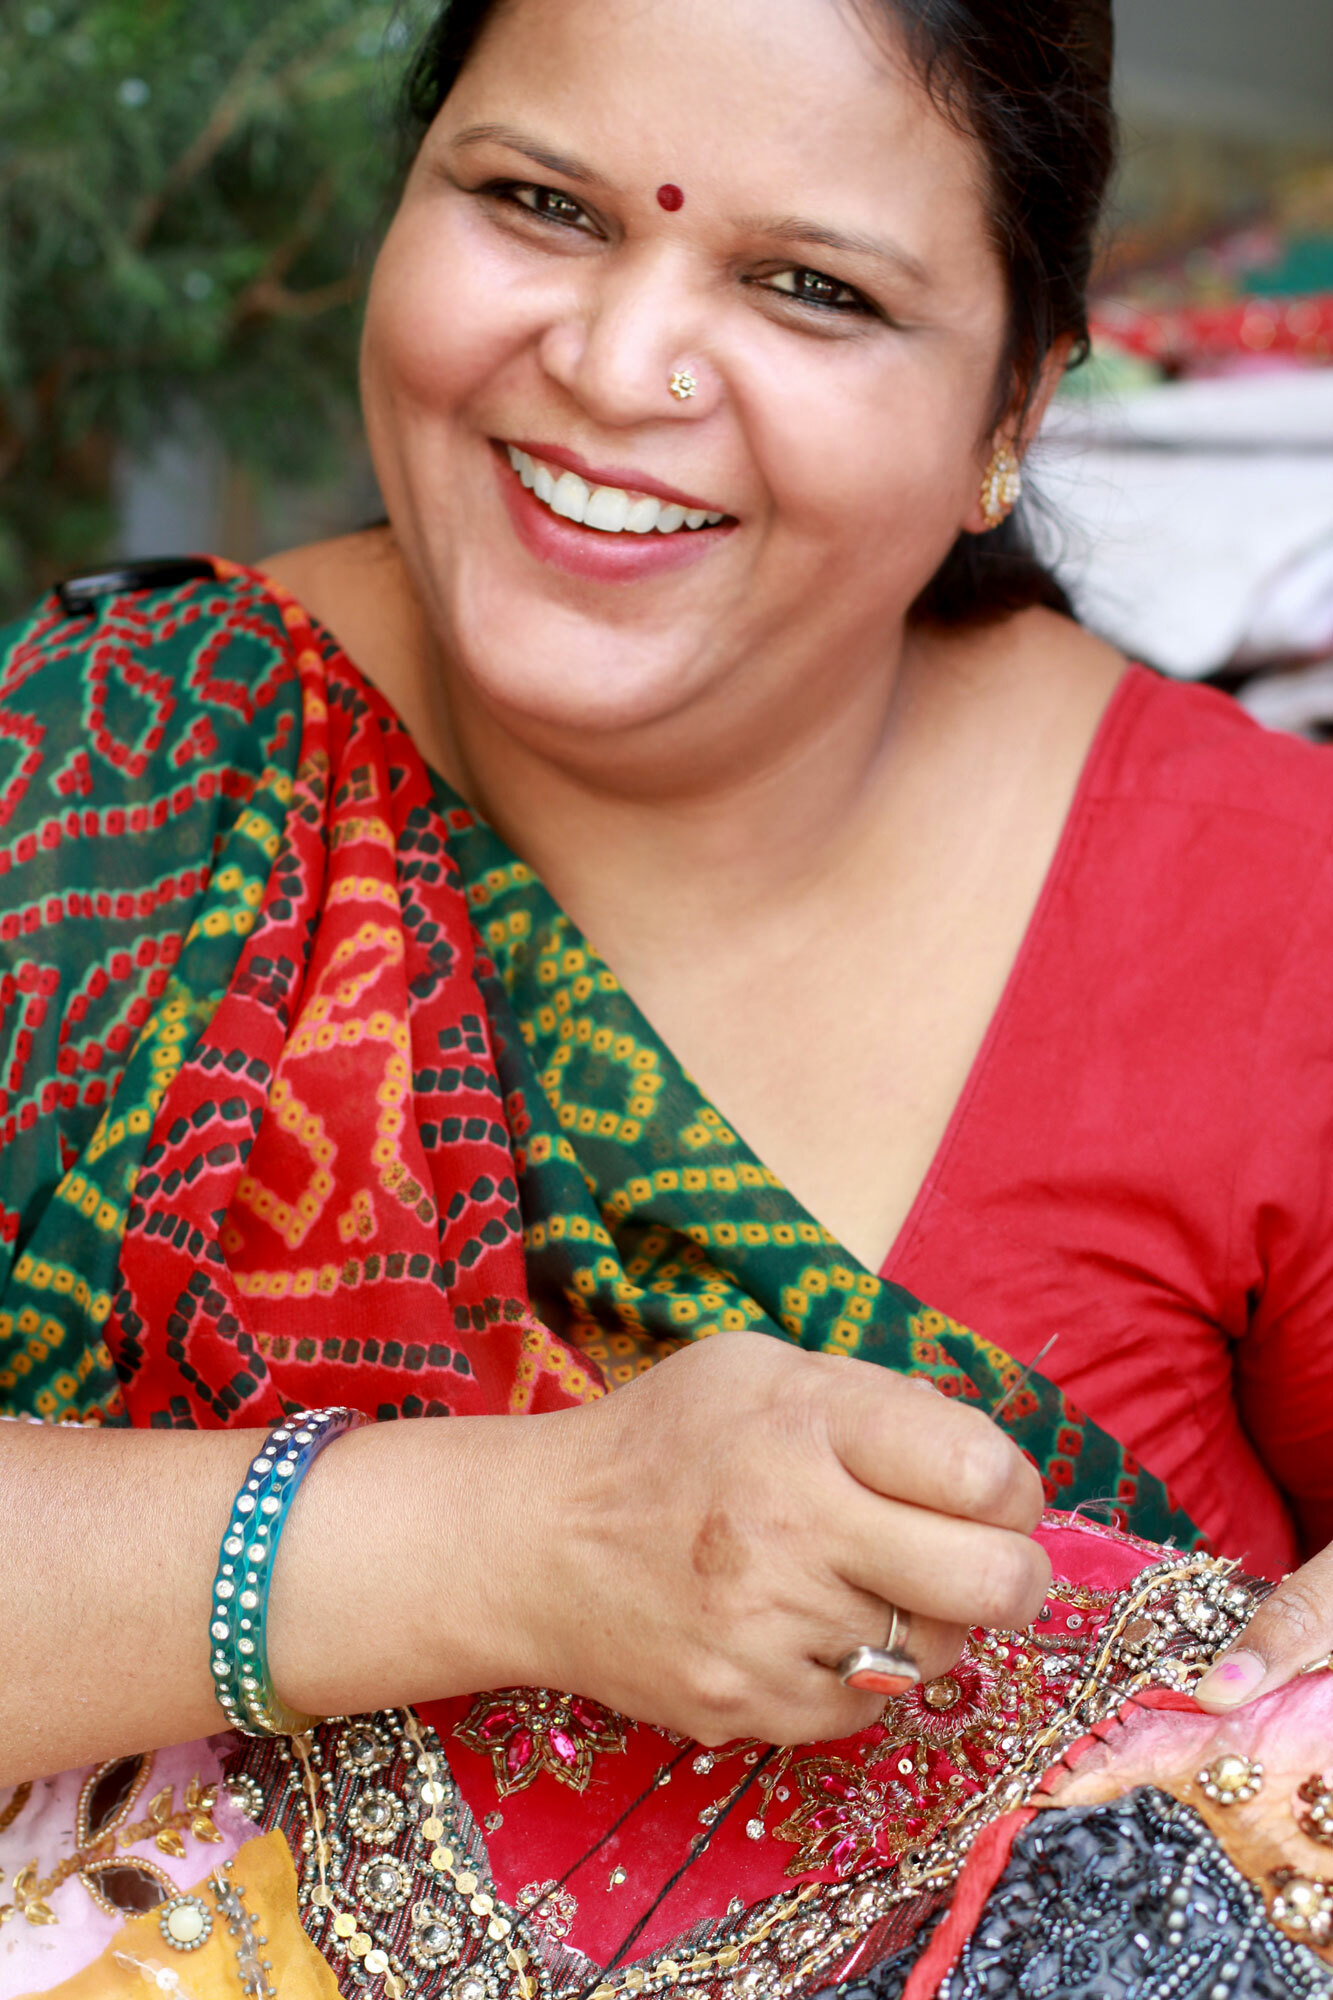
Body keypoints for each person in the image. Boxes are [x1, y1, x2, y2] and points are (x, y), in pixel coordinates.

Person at [1, 1, 1332, 1995]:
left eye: (812, 287)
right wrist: (523, 1543)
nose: (616, 367)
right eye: (536, 202)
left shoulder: (1263, 907)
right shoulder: (96, 788)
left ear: (1011, 415)